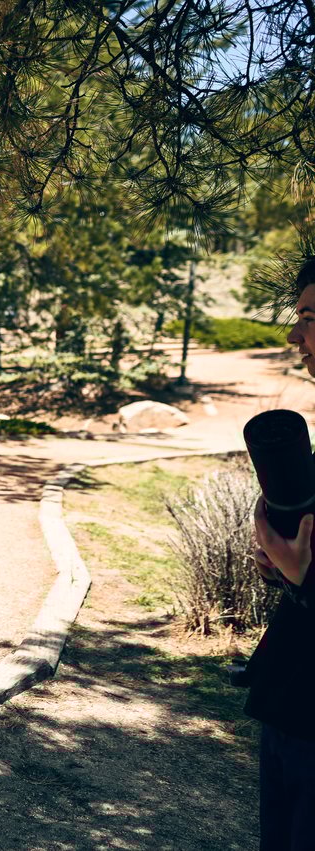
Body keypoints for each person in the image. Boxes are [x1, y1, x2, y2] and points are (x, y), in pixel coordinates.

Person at [250, 254, 315, 850]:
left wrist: (304, 574)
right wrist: (284, 568)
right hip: (291, 704)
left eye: (311, 317)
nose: (295, 334)